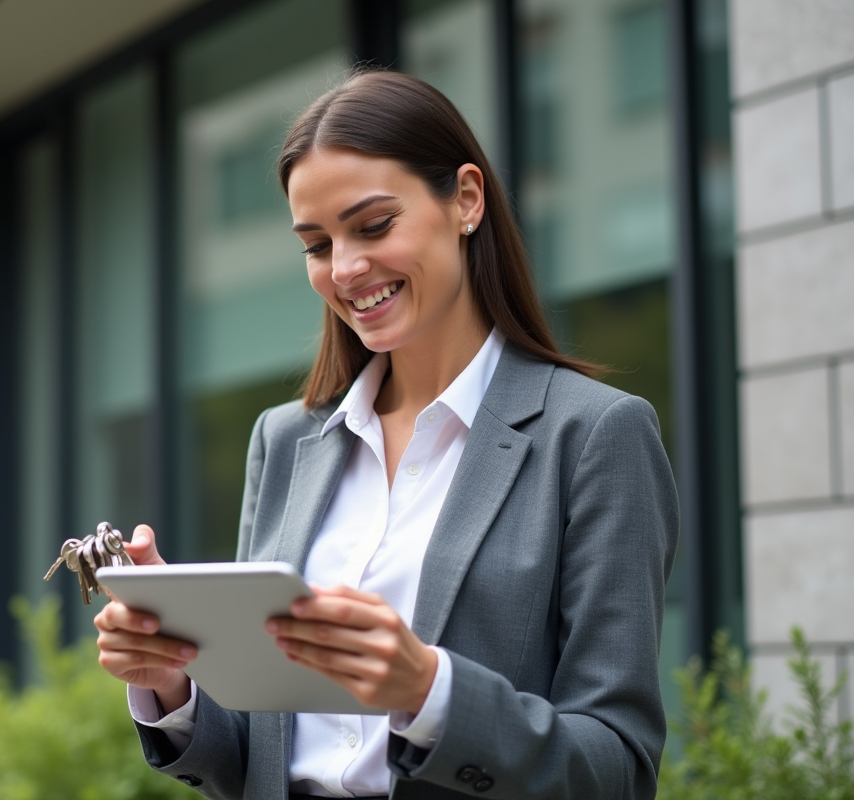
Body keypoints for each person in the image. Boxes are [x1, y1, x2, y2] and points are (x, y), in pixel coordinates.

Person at [94, 70, 678, 800]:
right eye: (316, 245)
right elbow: (259, 755)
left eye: (373, 226)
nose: (344, 269)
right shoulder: (284, 441)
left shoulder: (594, 435)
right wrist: (173, 683)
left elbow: (617, 769)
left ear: (466, 200)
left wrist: (431, 692)